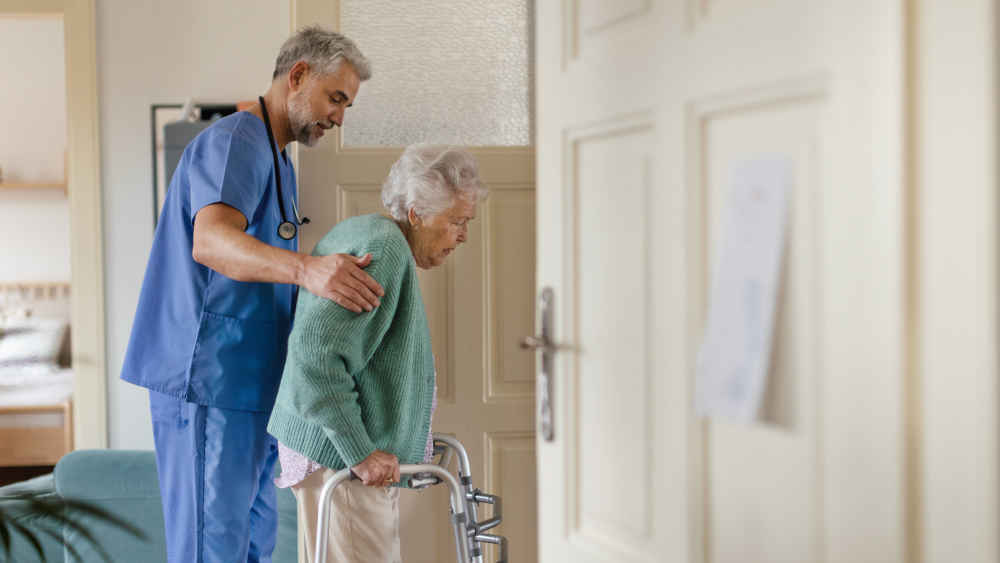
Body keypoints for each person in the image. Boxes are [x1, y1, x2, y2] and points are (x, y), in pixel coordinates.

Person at [120, 27, 384, 563]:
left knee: (251, 547)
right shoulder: (237, 140)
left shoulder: (278, 160)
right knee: (211, 547)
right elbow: (212, 241)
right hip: (209, 378)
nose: (339, 117)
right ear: (298, 75)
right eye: (336, 98)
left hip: (249, 383)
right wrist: (309, 270)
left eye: (347, 105)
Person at [267, 144, 488, 563]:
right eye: (457, 221)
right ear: (417, 214)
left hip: (331, 450)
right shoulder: (383, 251)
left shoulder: (370, 232)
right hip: (341, 457)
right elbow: (314, 357)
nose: (463, 235)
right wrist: (361, 453)